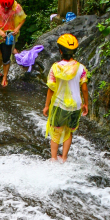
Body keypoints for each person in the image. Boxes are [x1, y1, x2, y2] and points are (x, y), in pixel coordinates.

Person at [42, 33, 89, 162]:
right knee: (68, 132)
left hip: (59, 105)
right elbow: (84, 88)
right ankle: (64, 157)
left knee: (56, 131)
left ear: (60, 51)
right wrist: (86, 104)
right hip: (75, 105)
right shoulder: (81, 68)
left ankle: (53, 158)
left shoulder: (55, 68)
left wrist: (46, 106)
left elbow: (51, 89)